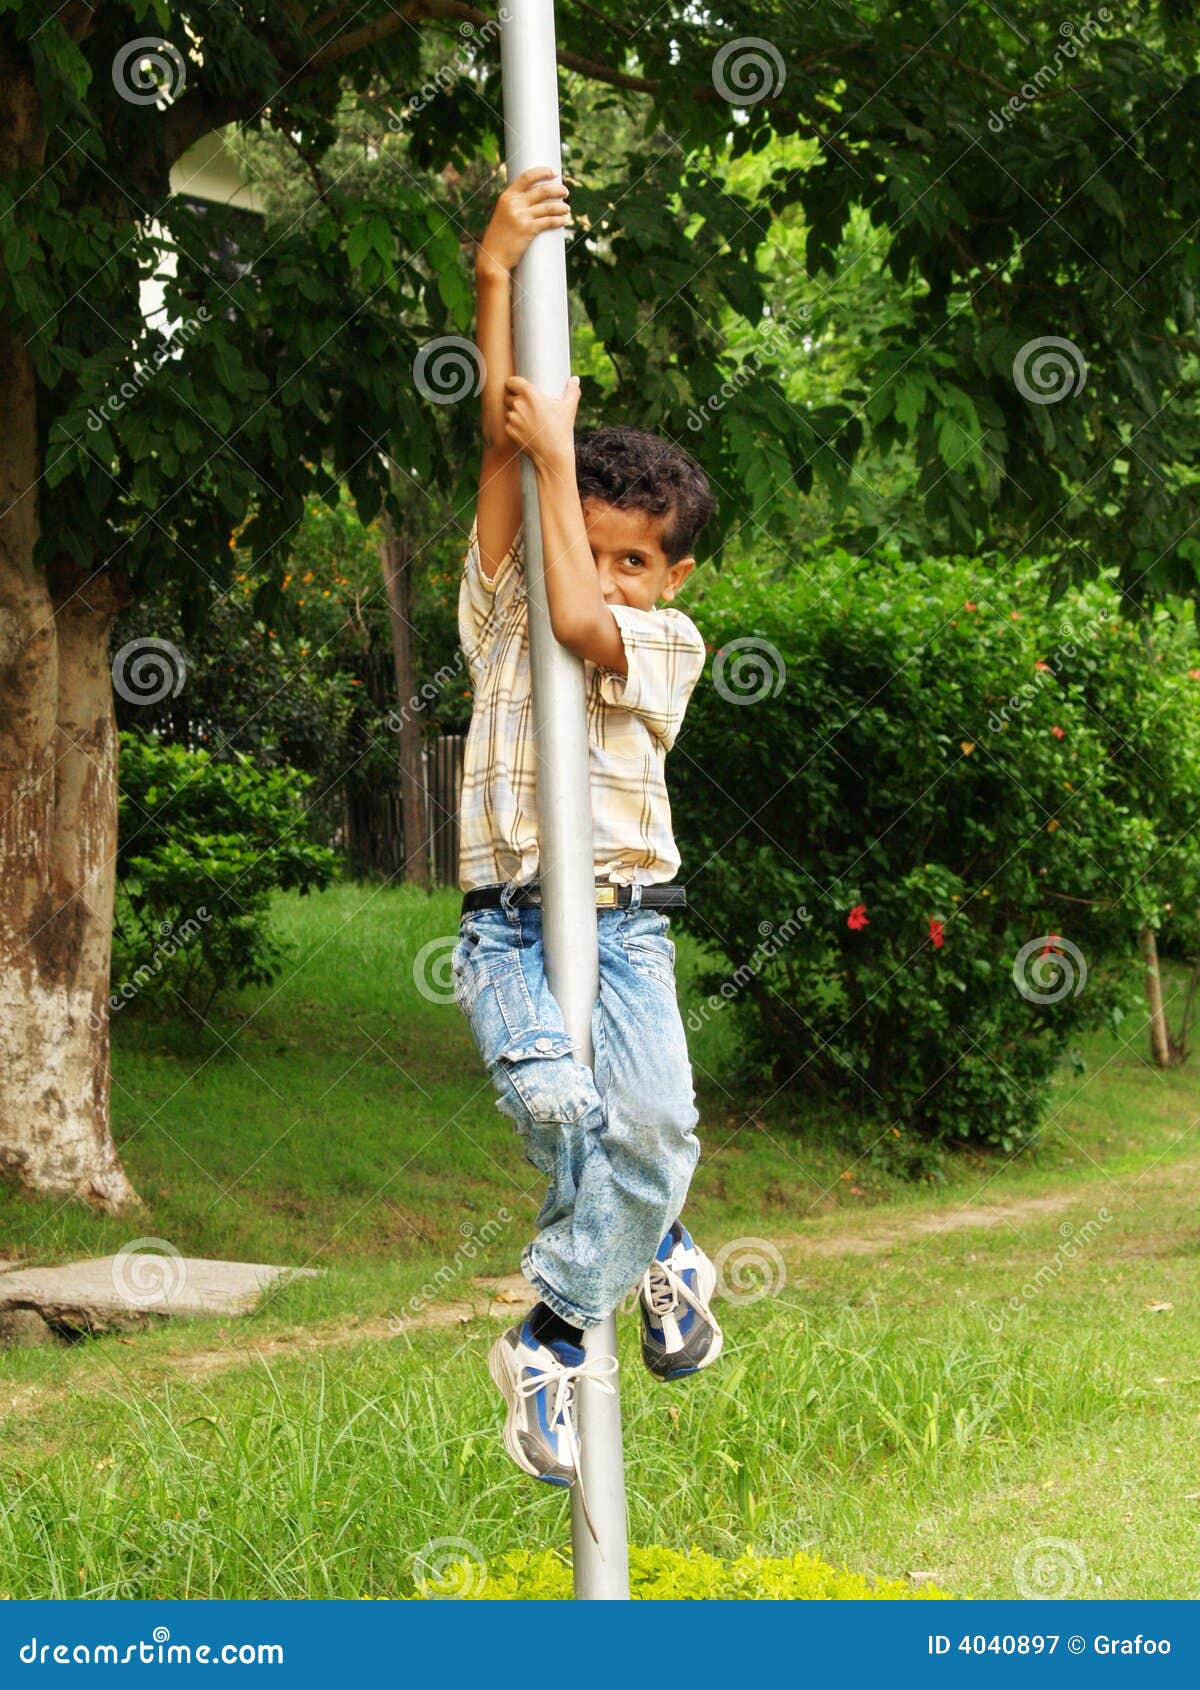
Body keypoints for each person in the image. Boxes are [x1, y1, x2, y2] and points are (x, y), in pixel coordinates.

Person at [452, 164, 723, 1490]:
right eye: (596, 541)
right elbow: (506, 445)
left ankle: (550, 1329)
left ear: (671, 576)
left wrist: (567, 463)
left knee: (658, 1125)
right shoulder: (500, 608)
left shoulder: (664, 640)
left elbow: (583, 618)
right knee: (565, 1109)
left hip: (629, 927)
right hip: (508, 922)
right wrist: (495, 271)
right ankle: (656, 1250)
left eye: (637, 556)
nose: (612, 567)